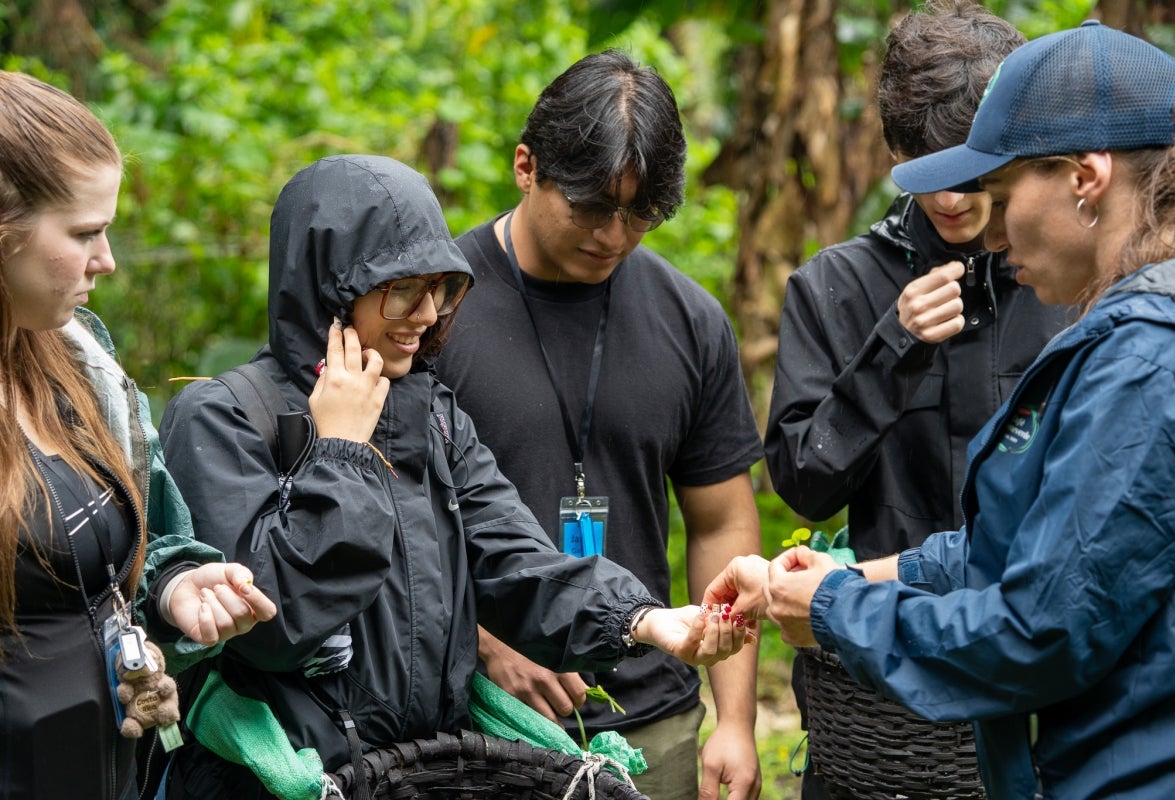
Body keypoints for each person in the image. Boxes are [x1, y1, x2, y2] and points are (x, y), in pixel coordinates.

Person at [706, 21, 1175, 799]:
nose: (991, 231)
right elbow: (1023, 544)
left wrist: (838, 608)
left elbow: (1040, 629)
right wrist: (849, 576)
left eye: (999, 193)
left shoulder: (1142, 354)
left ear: (1087, 177)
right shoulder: (842, 284)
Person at [157, 154, 749, 799]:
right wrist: (342, 453)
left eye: (441, 289)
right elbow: (273, 628)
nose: (427, 313)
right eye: (403, 289)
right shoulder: (223, 418)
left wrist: (643, 621)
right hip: (280, 782)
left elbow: (515, 558)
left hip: (428, 774)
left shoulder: (431, 411)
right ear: (332, 287)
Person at [435, 50, 764, 800]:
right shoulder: (432, 310)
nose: (612, 235)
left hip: (654, 726)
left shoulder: (690, 320)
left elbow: (721, 523)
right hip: (478, 724)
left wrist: (735, 720)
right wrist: (485, 645)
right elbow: (386, 519)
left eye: (638, 212)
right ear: (527, 166)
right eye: (588, 206)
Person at [762, 3, 1070, 795]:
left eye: (977, 174)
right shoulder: (834, 285)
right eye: (928, 169)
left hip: (1039, 669)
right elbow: (803, 481)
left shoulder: (1067, 279)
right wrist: (893, 349)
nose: (957, 200)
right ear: (895, 151)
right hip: (881, 689)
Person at [0, 71, 276, 800]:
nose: (108, 259)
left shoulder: (78, 361)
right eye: (85, 232)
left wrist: (173, 592)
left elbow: (128, 555)